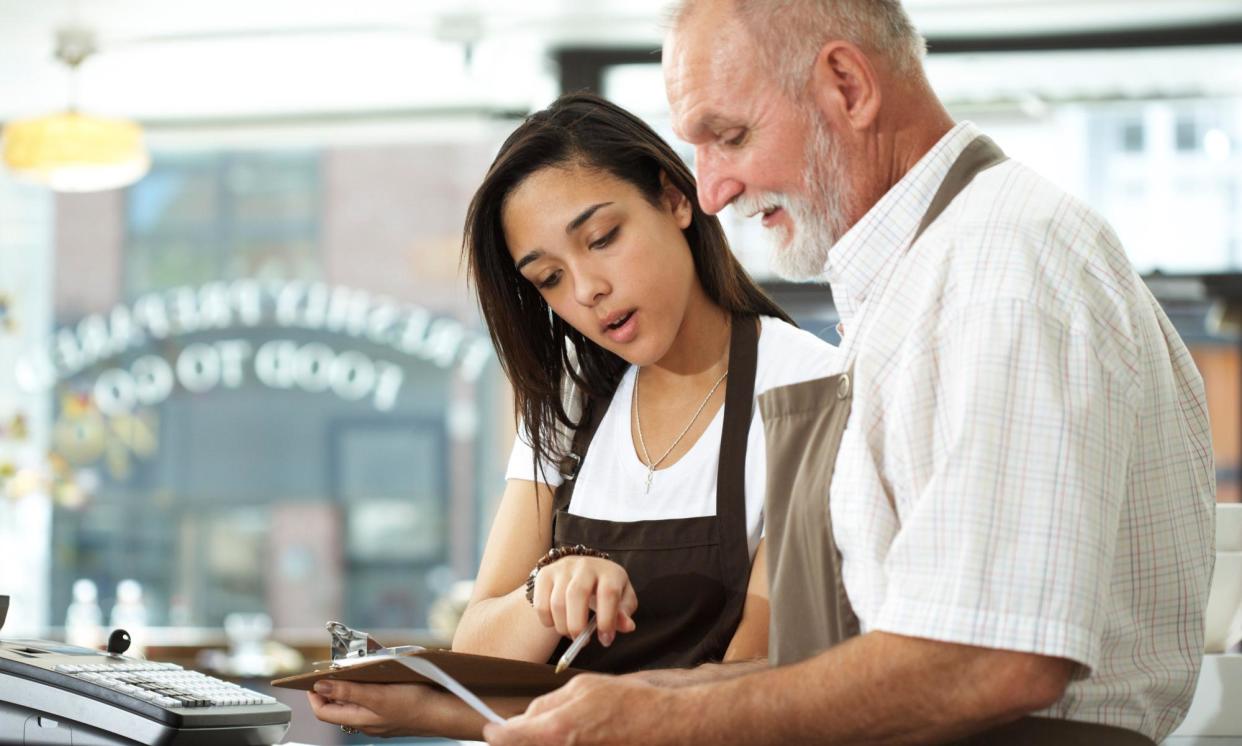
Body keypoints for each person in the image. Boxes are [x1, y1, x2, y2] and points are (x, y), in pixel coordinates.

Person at [484, 1, 1217, 745]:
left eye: (731, 137)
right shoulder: (921, 283)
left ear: (847, 85)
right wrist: (622, 704)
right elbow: (866, 655)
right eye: (547, 277)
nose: (712, 193)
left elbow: (995, 660)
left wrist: (671, 715)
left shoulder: (1000, 269)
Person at [307, 92, 840, 739]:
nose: (587, 290)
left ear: (675, 199)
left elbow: (752, 684)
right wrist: (548, 591)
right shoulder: (570, 401)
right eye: (549, 279)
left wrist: (438, 713)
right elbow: (479, 655)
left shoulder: (805, 389)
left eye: (602, 239)